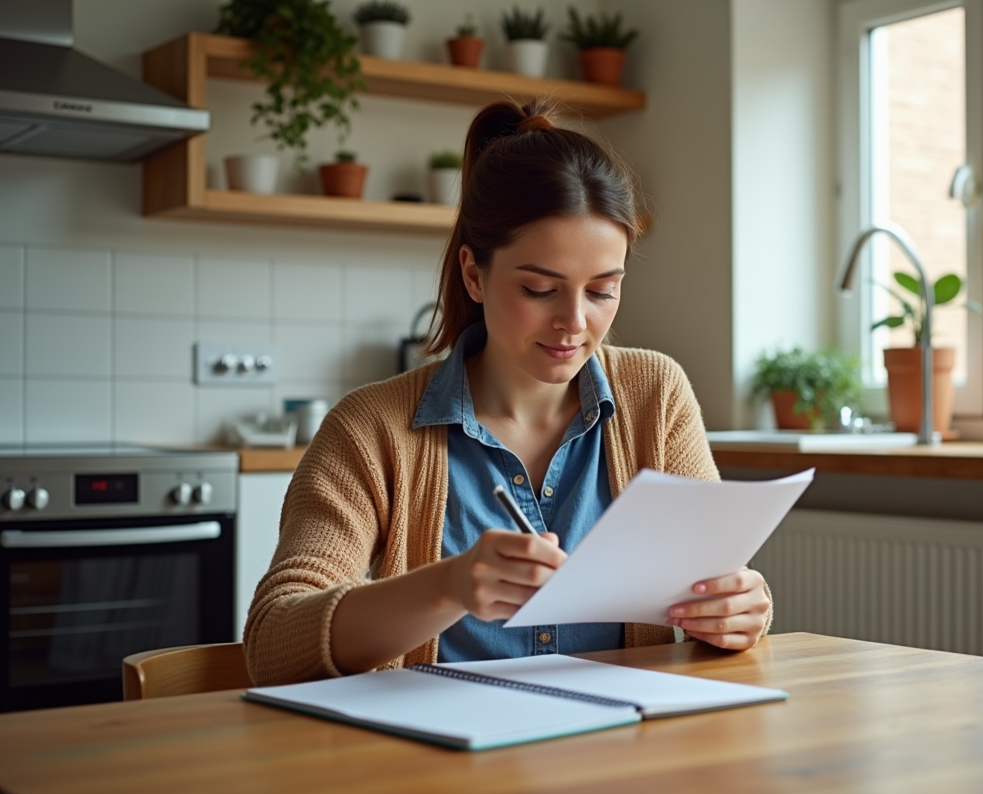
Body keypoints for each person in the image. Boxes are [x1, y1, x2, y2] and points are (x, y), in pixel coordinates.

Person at [244, 99, 772, 687]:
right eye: (540, 289)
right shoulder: (371, 428)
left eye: (602, 291)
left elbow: (715, 583)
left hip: (618, 758)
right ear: (474, 274)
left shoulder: (657, 394)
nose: (574, 323)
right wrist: (446, 585)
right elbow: (273, 644)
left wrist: (738, 609)